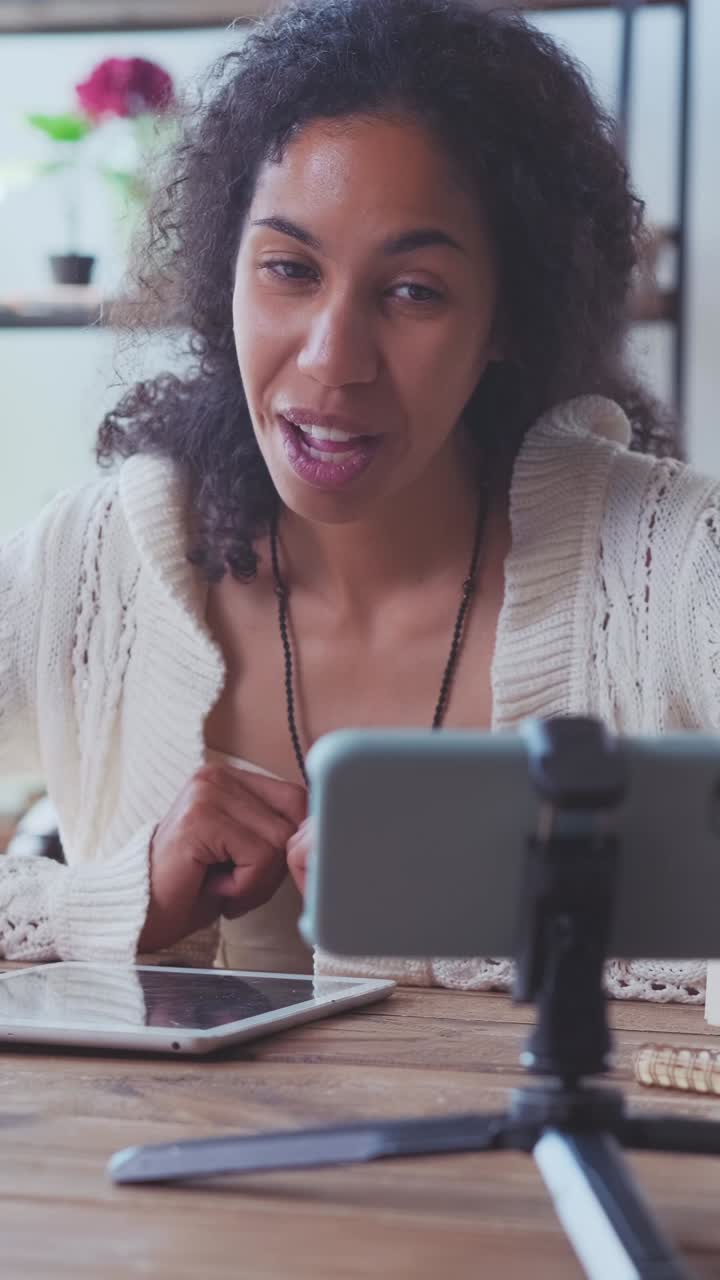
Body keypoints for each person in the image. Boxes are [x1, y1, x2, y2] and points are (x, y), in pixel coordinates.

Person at [0, 0, 715, 1003]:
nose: (333, 358)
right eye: (289, 269)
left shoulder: (673, 568)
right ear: (226, 279)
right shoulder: (94, 564)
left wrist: (489, 911)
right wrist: (103, 904)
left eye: (414, 290)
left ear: (508, 315)